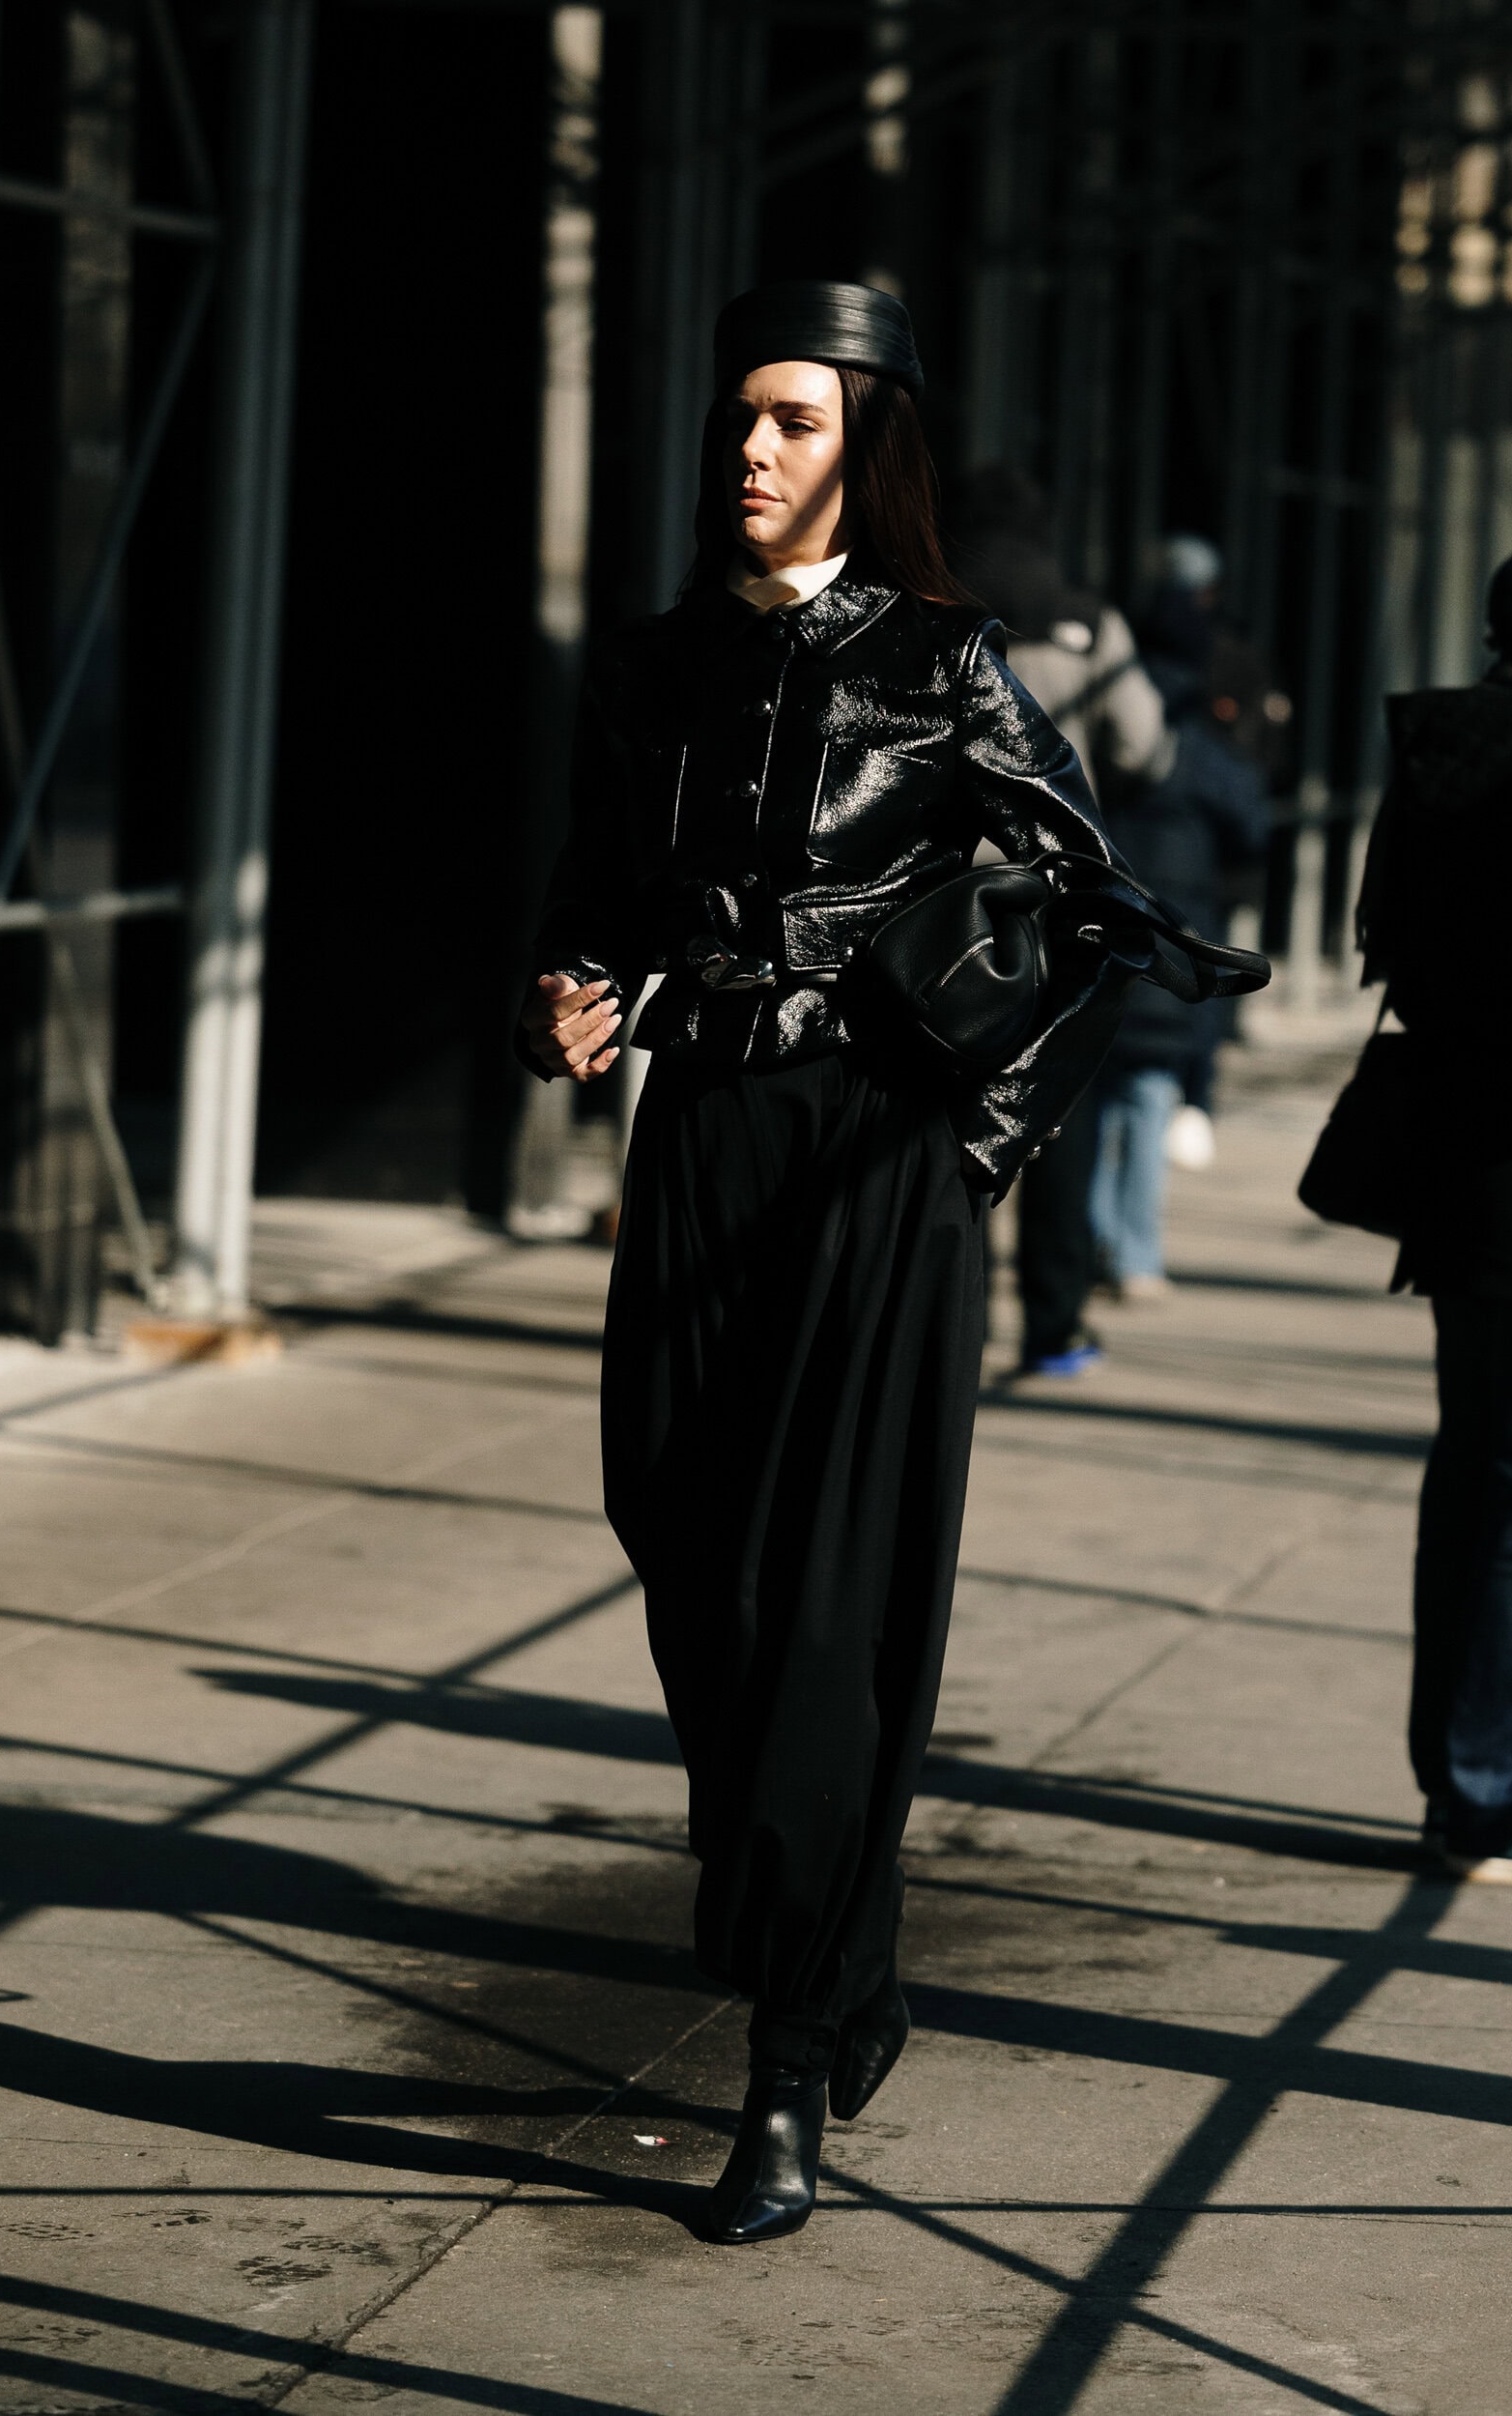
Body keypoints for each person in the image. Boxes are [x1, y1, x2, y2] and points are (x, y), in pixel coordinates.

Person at [517, 281, 1129, 2239]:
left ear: (871, 444)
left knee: (823, 1601)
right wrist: (568, 988)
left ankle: (784, 2056)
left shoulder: (947, 659)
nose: (753, 448)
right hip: (703, 1130)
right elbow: (592, 890)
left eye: (794, 419)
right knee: (675, 1523)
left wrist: (977, 1142)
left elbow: (1093, 908)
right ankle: (837, 1944)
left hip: (877, 1157)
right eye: (741, 417)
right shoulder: (648, 664)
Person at [1356, 530, 1512, 1883]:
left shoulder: (1438, 758)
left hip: (1464, 1178)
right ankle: (1502, 1792)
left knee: (1478, 1480)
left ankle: (1461, 1778)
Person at [951, 469, 1174, 1376]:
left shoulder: (928, 606)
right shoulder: (1086, 619)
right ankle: (1054, 1324)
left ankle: (949, 1322)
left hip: (941, 906)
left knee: (942, 1108)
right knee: (1058, 1108)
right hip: (1058, 896)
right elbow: (1143, 744)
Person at [1087, 579, 1270, 1300]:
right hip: (1178, 935)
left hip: (1102, 926)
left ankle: (1095, 1237)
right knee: (1149, 1091)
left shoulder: (1101, 723)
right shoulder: (1202, 743)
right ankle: (1135, 1255)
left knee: (1095, 1093)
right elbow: (1249, 822)